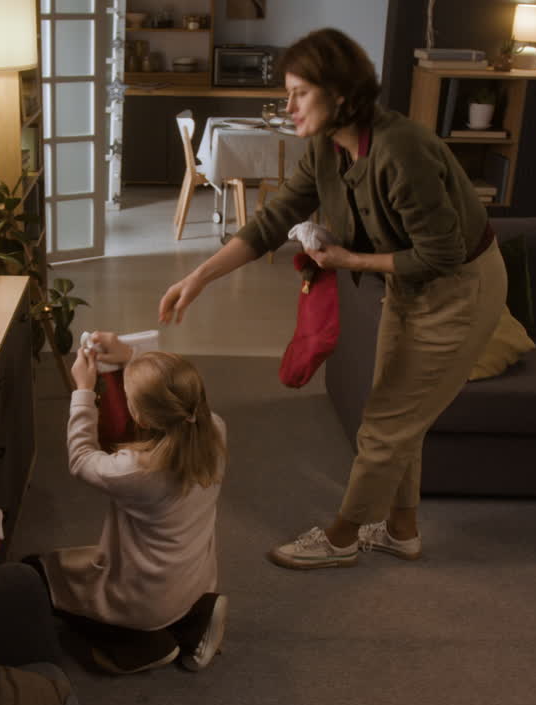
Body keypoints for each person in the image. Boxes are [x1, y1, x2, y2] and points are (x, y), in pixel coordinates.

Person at [158, 28, 507, 570]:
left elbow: (442, 255)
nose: (288, 106)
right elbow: (274, 220)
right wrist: (200, 277)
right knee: (397, 411)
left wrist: (350, 261)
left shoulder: (400, 150)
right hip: (409, 284)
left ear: (341, 95)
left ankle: (342, 538)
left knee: (388, 422)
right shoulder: (327, 147)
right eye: (288, 93)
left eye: (300, 93)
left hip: (459, 288)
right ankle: (401, 530)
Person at [26, 334, 229, 674]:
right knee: (86, 572)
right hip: (195, 579)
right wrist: (131, 356)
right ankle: (195, 618)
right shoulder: (214, 430)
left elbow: (81, 458)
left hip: (144, 596)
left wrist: (83, 391)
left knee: (39, 573)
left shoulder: (135, 470)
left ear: (142, 420)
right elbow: (171, 388)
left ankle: (143, 646)